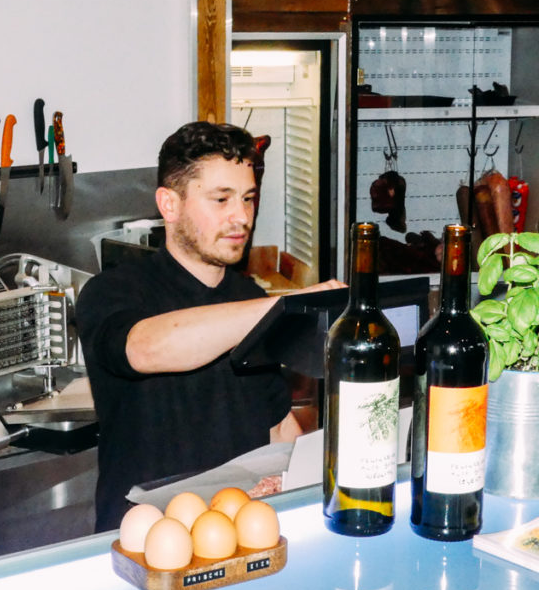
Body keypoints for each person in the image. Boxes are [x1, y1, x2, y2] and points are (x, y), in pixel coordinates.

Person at [75, 121, 342, 531]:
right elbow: (147, 349)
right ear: (169, 205)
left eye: (248, 199)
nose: (241, 216)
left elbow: (278, 427)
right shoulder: (112, 291)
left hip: (240, 541)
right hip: (143, 550)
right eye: (221, 199)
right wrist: (288, 306)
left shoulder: (253, 298)